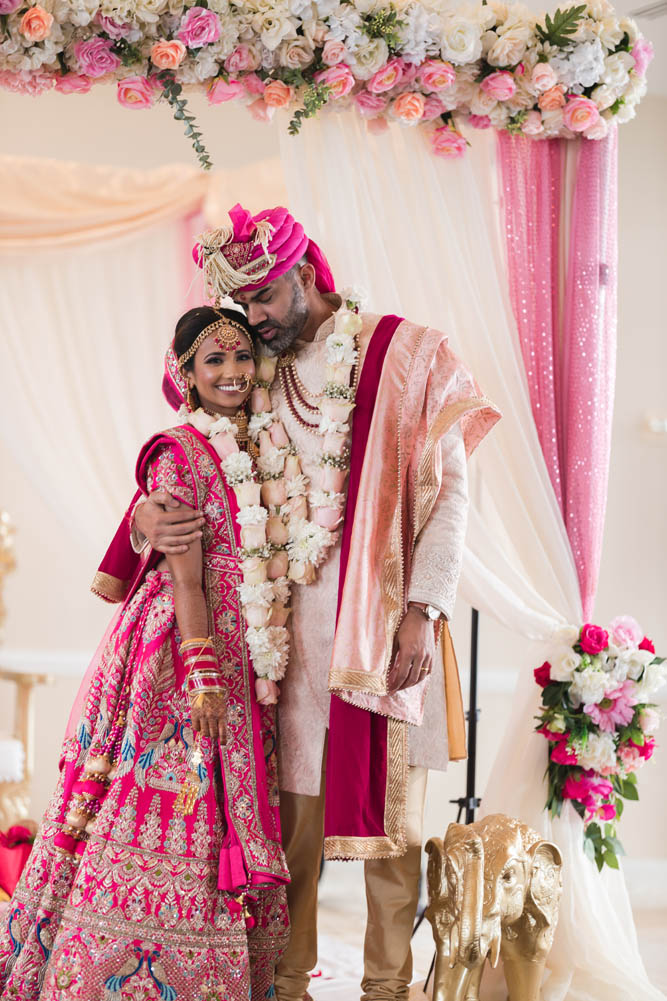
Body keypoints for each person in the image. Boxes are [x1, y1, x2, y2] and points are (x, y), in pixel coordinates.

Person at [133, 206, 501, 1001]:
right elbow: (189, 447)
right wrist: (143, 514)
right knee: (289, 828)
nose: (253, 319)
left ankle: (386, 988)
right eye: (244, 305)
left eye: (264, 298)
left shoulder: (406, 353)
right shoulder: (253, 365)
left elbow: (452, 494)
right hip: (280, 632)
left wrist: (423, 608)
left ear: (306, 275)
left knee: (391, 831)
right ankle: (287, 984)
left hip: (383, 623)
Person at [0, 307, 292, 1000]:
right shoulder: (178, 450)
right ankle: (116, 972)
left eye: (240, 357)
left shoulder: (257, 448)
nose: (230, 373)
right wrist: (201, 668)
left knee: (223, 804)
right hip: (176, 653)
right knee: (169, 797)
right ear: (183, 374)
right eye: (212, 361)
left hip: (242, 647)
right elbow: (185, 572)